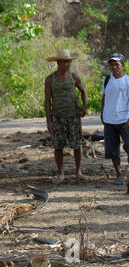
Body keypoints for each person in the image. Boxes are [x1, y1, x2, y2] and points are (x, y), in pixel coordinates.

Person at [44, 49, 88, 183]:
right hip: (57, 117)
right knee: (58, 146)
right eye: (64, 62)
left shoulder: (74, 77)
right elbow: (47, 100)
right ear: (58, 62)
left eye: (69, 62)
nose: (67, 64)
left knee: (77, 144)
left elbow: (83, 91)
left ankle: (78, 172)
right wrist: (49, 121)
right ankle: (60, 172)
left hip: (73, 116)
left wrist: (84, 106)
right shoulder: (50, 79)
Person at [100, 53, 129, 185]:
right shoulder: (107, 80)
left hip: (123, 119)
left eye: (117, 64)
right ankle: (118, 175)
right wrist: (102, 113)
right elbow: (104, 97)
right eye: (112, 64)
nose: (114, 67)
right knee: (112, 150)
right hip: (109, 121)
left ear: (122, 65)